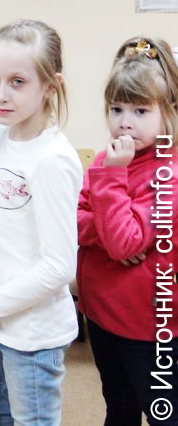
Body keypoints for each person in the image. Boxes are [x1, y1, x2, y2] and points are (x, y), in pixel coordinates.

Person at [0, 19, 83, 426]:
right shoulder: (2, 137)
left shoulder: (53, 160)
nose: (0, 94)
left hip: (31, 333)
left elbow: (59, 267)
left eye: (17, 82)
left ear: (50, 86)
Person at [76, 37, 178, 426]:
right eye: (116, 109)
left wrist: (113, 179)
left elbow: (124, 242)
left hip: (148, 326)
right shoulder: (107, 157)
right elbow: (76, 220)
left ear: (169, 111)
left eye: (140, 110)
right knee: (118, 407)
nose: (125, 121)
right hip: (102, 314)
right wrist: (107, 232)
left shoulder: (168, 172)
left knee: (164, 413)